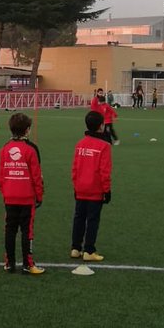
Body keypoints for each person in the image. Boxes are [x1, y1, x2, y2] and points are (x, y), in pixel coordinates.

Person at [0, 112, 44, 275]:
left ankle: (9, 263)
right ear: (27, 130)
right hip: (26, 197)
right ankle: (27, 264)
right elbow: (37, 176)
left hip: (9, 196)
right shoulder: (31, 149)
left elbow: (1, 175)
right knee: (27, 231)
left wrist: (5, 191)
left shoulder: (5, 148)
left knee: (10, 230)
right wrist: (39, 195)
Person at [70, 110, 112, 263]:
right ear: (101, 126)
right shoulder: (104, 146)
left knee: (79, 218)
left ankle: (75, 248)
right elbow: (104, 171)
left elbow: (75, 168)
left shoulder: (80, 144)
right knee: (93, 219)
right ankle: (89, 250)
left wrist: (75, 185)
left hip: (80, 187)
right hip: (95, 189)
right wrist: (107, 190)